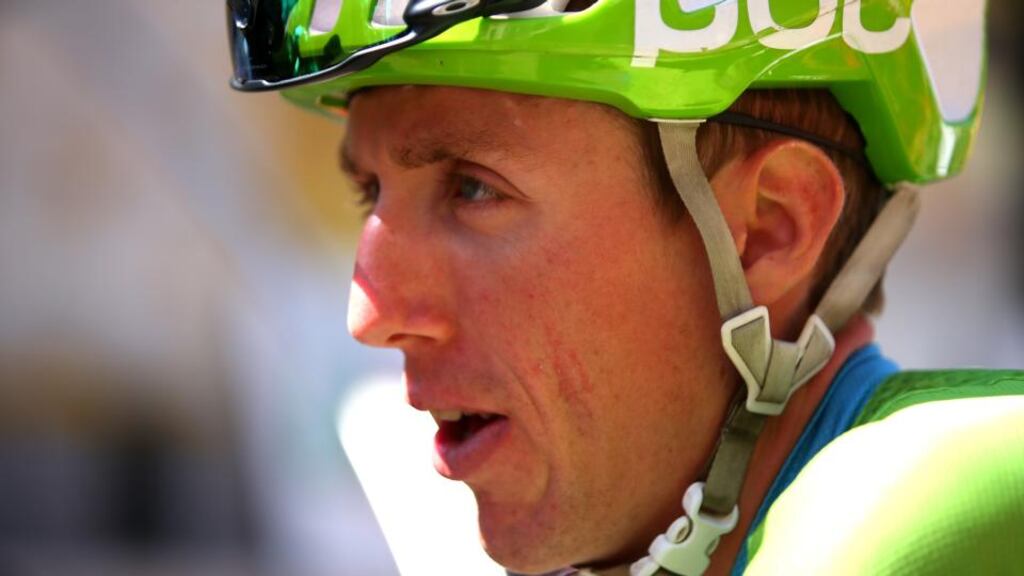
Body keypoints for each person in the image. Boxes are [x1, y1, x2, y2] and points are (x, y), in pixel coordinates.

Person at [226, 1, 1024, 574]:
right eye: (371, 193)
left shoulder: (925, 506)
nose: (370, 313)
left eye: (473, 189)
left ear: (773, 225)